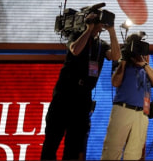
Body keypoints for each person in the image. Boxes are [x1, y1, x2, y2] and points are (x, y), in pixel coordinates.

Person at [41, 12, 121, 160]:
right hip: (65, 93)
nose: (101, 24)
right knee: (53, 139)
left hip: (84, 96)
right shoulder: (76, 35)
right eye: (98, 20)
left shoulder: (101, 45)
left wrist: (112, 31)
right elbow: (75, 50)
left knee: (74, 143)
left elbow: (116, 56)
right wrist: (88, 29)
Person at [101, 32, 153, 160]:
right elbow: (115, 82)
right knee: (112, 151)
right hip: (123, 110)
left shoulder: (145, 67)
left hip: (142, 114)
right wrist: (123, 61)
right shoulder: (122, 62)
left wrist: (143, 64)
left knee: (134, 154)